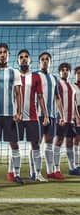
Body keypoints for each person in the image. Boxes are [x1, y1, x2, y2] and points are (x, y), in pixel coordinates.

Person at [0, 43, 24, 184]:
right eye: (0, 52)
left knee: (14, 144)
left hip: (10, 115)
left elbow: (18, 93)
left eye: (5, 52)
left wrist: (19, 112)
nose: (2, 54)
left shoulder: (14, 72)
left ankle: (16, 174)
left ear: (8, 55)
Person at [17, 49, 49, 182]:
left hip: (32, 117)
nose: (24, 59)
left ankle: (37, 174)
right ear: (18, 61)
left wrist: (46, 115)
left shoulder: (36, 77)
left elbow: (41, 97)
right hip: (17, 117)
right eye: (21, 57)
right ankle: (16, 174)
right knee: (14, 144)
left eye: (26, 57)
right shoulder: (14, 75)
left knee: (35, 144)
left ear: (30, 60)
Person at [36, 52, 65, 180]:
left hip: (52, 116)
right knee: (36, 143)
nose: (45, 61)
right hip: (38, 115)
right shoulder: (35, 76)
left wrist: (62, 115)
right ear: (39, 62)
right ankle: (35, 172)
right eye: (42, 59)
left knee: (48, 143)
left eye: (47, 59)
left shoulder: (54, 79)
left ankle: (50, 171)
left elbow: (57, 98)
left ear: (50, 62)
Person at [54, 63, 80, 175]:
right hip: (61, 118)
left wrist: (77, 117)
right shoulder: (58, 84)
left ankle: (72, 168)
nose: (64, 72)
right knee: (59, 141)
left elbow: (74, 103)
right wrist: (60, 116)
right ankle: (56, 169)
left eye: (66, 70)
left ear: (69, 72)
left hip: (71, 120)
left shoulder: (72, 86)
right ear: (60, 72)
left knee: (69, 142)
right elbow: (56, 99)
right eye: (62, 70)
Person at [73, 66, 80, 170]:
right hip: (77, 111)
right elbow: (73, 102)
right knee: (77, 139)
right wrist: (77, 116)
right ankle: (77, 165)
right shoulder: (72, 87)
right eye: (78, 73)